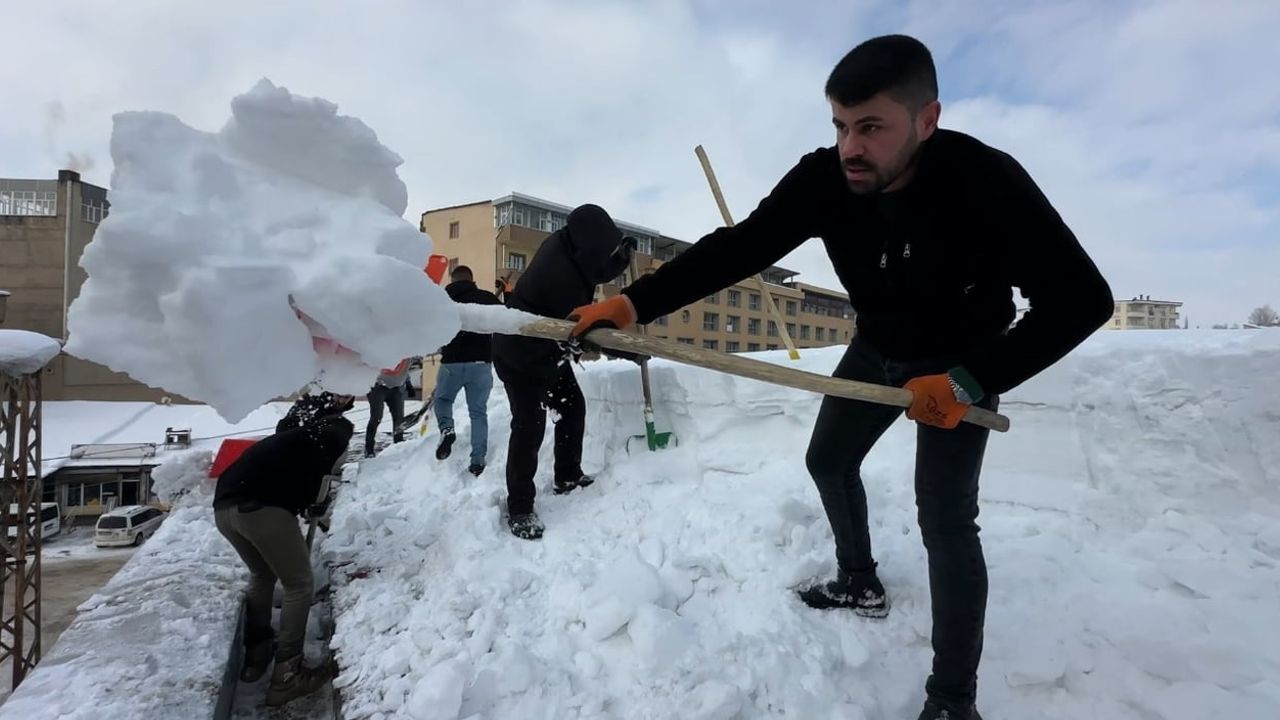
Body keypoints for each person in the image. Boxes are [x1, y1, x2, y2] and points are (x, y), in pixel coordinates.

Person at [566, 34, 1113, 720]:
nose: (851, 146)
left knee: (945, 518)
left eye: (872, 127)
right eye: (841, 125)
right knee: (828, 459)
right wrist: (633, 302)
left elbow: (1082, 300)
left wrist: (973, 380)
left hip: (960, 363)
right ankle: (859, 582)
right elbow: (740, 248)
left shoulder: (985, 181)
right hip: (877, 345)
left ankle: (952, 701)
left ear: (927, 119)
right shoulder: (826, 180)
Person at [491, 204, 634, 540]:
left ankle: (567, 475)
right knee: (529, 426)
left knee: (572, 407)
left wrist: (620, 260)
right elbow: (581, 330)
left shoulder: (568, 243)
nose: (604, 254)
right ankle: (520, 508)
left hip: (549, 350)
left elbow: (594, 269)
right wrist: (624, 349)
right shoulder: (556, 274)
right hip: (519, 353)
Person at [213, 406, 354, 707]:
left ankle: (256, 656)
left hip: (225, 509)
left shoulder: (290, 440)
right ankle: (287, 674)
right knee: (299, 584)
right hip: (263, 510)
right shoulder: (328, 439)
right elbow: (317, 491)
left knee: (262, 574)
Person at [433, 265, 502, 475]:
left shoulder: (441, 300)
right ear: (471, 280)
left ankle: (447, 429)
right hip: (480, 364)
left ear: (452, 280)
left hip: (451, 363)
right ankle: (478, 460)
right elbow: (504, 316)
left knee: (443, 400)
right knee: (478, 413)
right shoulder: (485, 297)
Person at [364, 360, 410, 457]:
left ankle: (398, 446)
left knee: (399, 419)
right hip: (378, 386)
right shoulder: (390, 347)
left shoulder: (410, 352)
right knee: (376, 417)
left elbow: (405, 369)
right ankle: (369, 449)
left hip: (397, 387)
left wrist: (408, 382)